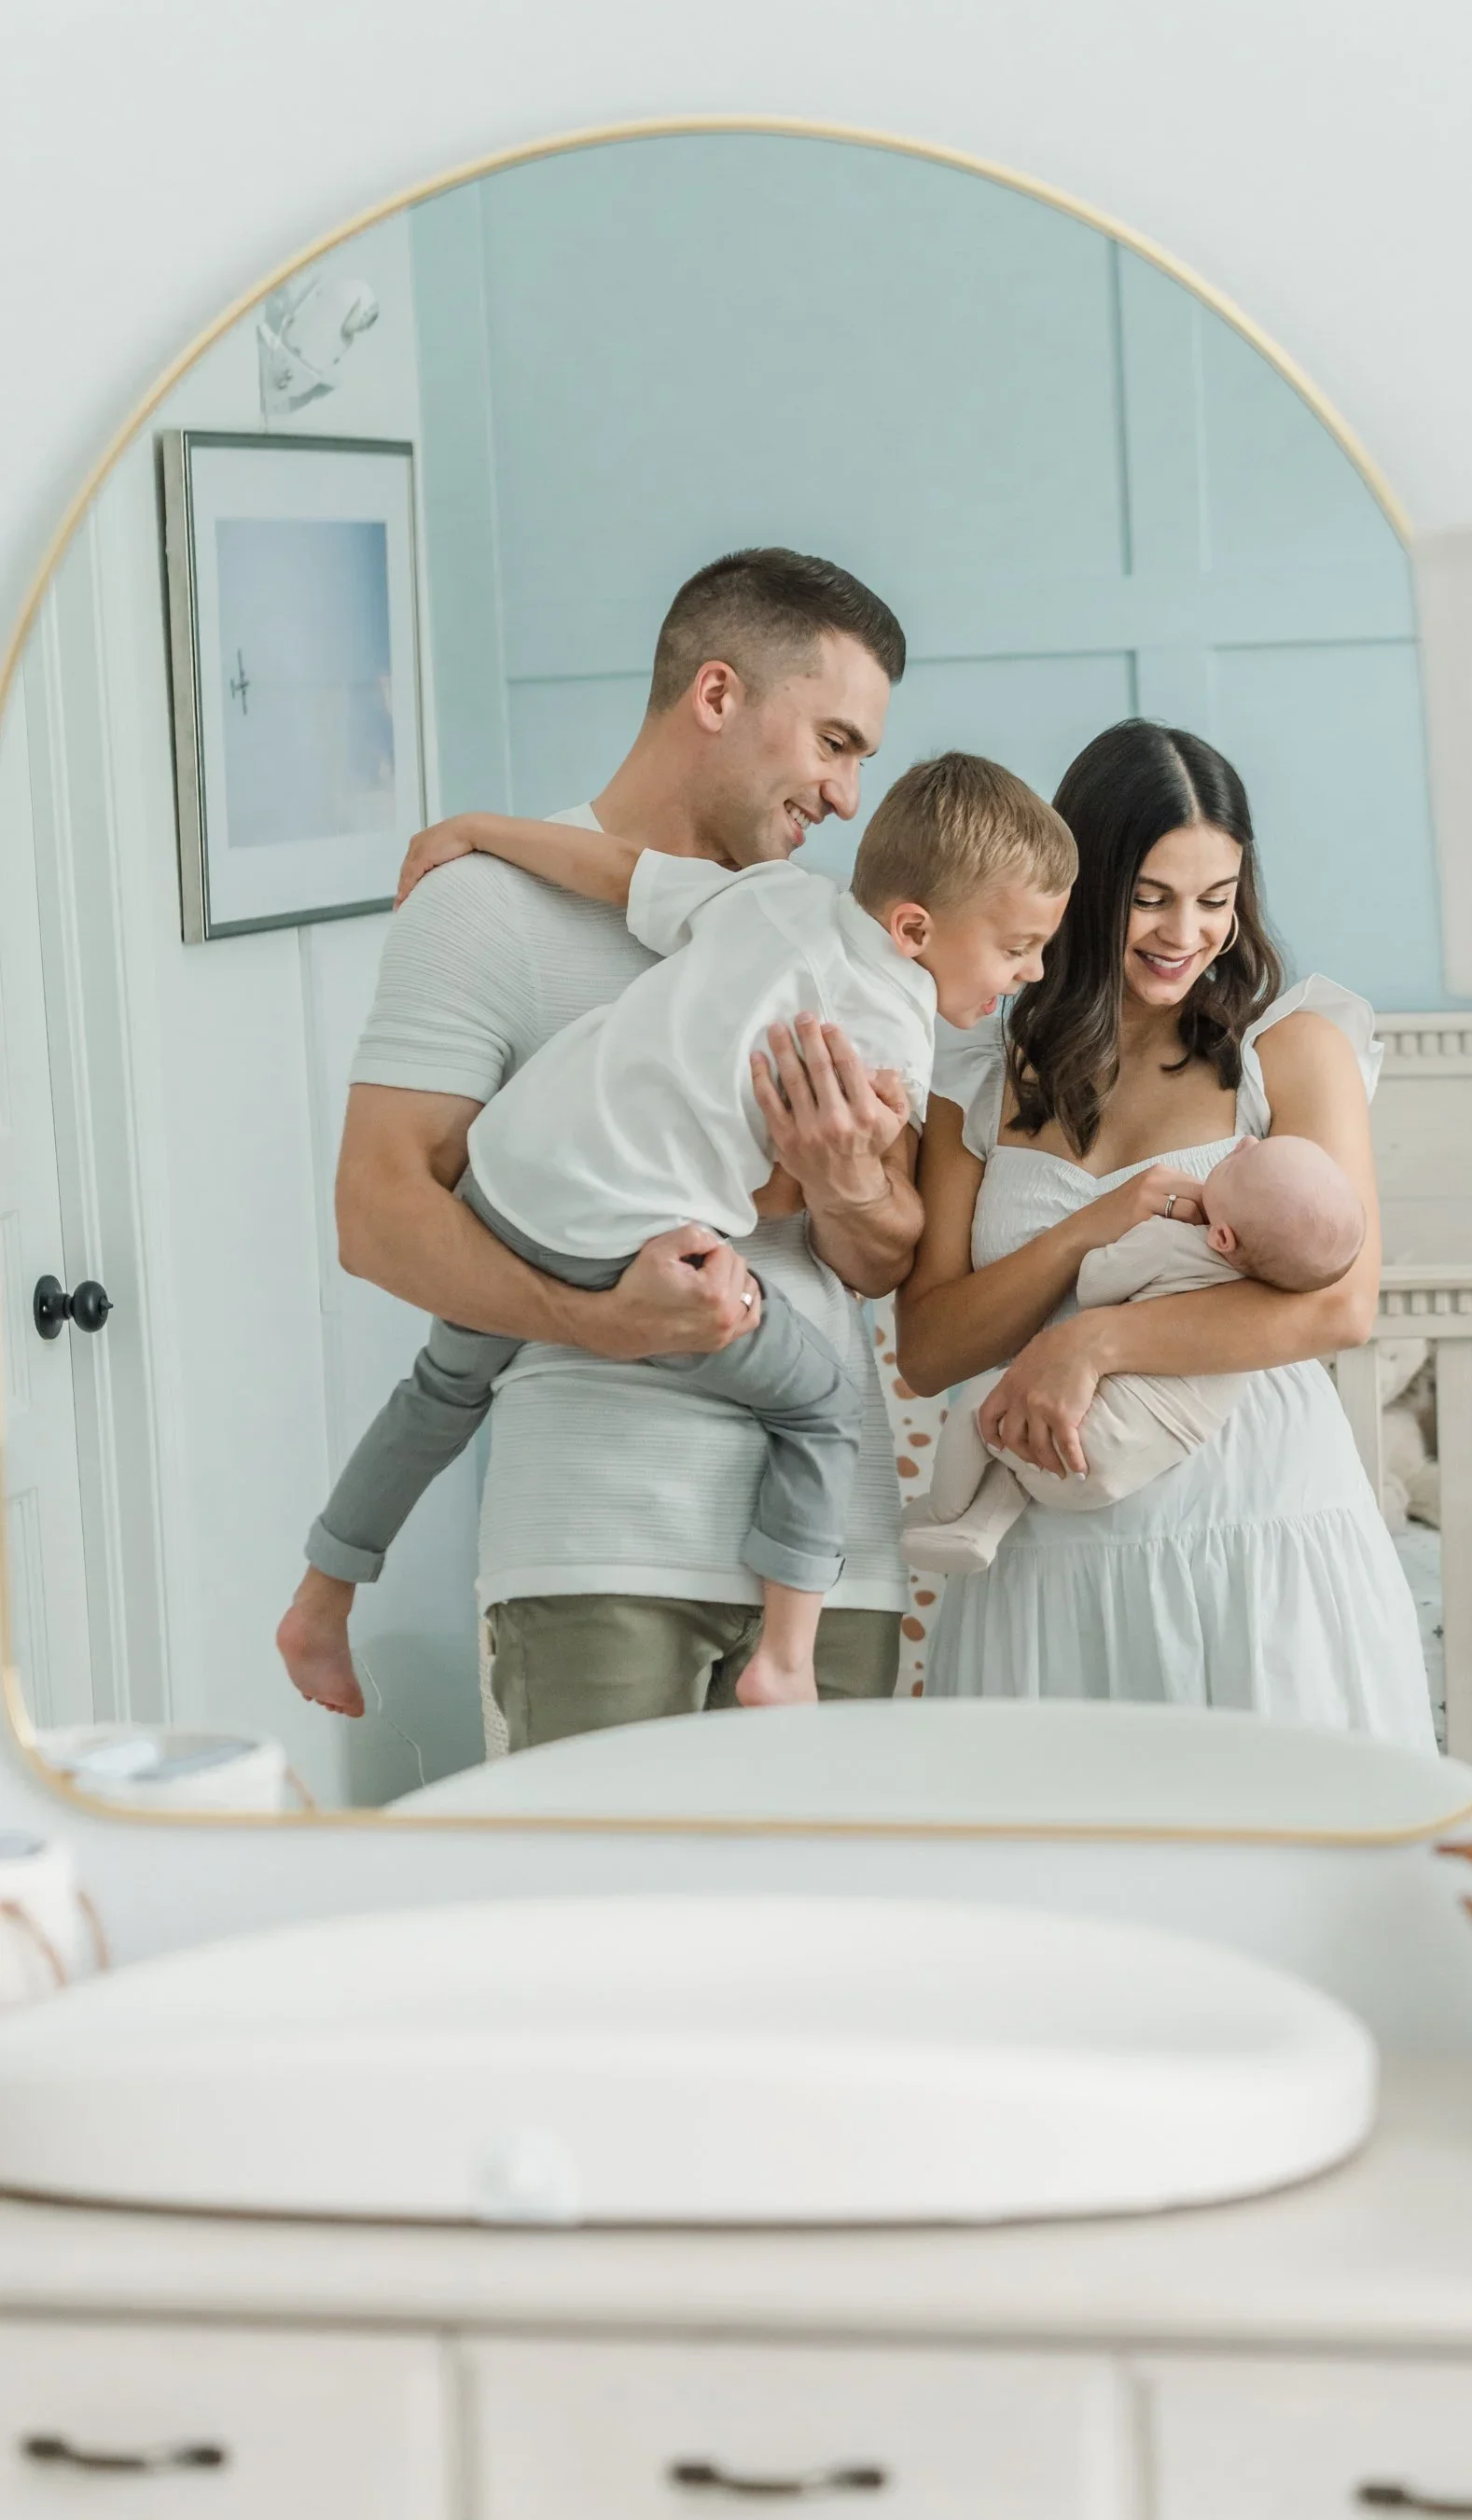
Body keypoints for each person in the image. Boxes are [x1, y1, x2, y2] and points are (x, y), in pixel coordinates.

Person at [277, 548, 926, 1747]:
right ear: (719, 695)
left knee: (837, 1932)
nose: (846, 799)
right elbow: (376, 1218)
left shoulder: (825, 939)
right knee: (603, 1928)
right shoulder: (486, 906)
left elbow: (886, 1259)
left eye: (862, 762)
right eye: (833, 742)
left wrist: (846, 1184)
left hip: (832, 1572)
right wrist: (595, 1320)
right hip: (598, 1553)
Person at [295, 755, 1074, 1707]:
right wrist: (848, 1163)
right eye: (1019, 948)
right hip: (613, 1241)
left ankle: (321, 1599)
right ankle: (786, 1659)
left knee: (440, 1390)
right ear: (915, 929)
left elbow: (617, 873)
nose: (1031, 973)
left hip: (507, 1178)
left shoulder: (771, 896)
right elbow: (793, 1200)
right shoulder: (891, 1027)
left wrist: (477, 831)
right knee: (819, 1406)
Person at [896, 717, 1437, 1749]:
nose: (1183, 932)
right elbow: (926, 1349)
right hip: (1045, 1569)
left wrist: (1088, 1341)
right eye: (1149, 897)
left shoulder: (1294, 1052)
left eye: (1215, 900)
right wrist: (1076, 1241)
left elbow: (1340, 1302)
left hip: (1255, 1535)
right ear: (1081, 885)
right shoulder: (976, 1087)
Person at [901, 1132, 1364, 1574]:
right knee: (1019, 1457)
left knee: (986, 1413)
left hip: (1083, 1436)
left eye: (1244, 1161)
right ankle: (977, 1529)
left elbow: (1095, 1285)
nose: (1246, 1142)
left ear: (1222, 1239)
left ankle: (943, 1513)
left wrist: (1105, 1253)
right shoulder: (1256, 1293)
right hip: (1146, 1459)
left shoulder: (1170, 1242)